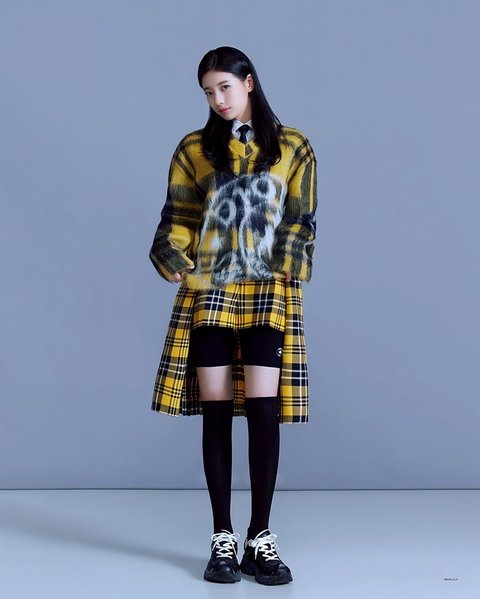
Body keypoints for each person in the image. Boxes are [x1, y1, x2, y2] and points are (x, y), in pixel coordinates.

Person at [148, 46, 317, 585]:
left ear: (249, 82)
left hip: (267, 289)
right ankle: (221, 536)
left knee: (265, 411)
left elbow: (300, 218)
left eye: (224, 86)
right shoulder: (194, 149)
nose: (217, 99)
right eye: (208, 91)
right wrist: (173, 257)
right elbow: (178, 215)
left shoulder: (292, 146)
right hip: (210, 290)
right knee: (217, 411)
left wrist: (286, 267)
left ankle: (260, 537)